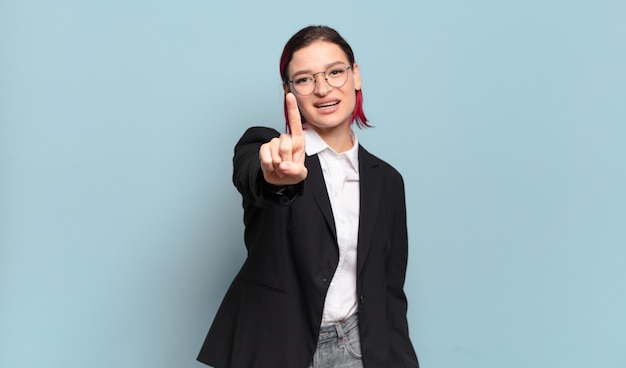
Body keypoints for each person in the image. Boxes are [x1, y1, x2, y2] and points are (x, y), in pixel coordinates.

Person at [197, 25, 419, 368]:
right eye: (304, 79)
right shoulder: (269, 149)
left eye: (335, 72)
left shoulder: (387, 181)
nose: (322, 88)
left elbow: (389, 292)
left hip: (359, 350)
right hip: (278, 347)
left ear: (355, 76)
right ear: (289, 91)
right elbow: (254, 175)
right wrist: (275, 178)